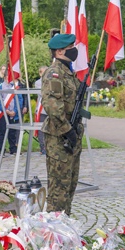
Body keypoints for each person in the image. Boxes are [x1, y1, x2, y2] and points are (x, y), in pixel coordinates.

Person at [41, 33, 83, 215]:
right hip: (60, 137)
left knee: (70, 184)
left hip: (72, 134)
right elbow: (53, 107)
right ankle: (53, 230)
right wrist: (68, 131)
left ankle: (65, 224)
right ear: (59, 51)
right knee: (58, 188)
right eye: (70, 48)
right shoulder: (54, 74)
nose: (74, 51)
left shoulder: (68, 72)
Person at [0, 67, 25, 155]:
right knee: (2, 131)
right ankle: (1, 150)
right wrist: (5, 110)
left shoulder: (15, 87)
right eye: (9, 77)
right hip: (3, 113)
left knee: (12, 132)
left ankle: (13, 149)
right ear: (5, 77)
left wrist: (15, 111)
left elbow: (20, 100)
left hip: (13, 113)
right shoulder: (0, 87)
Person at [34, 66, 48, 155]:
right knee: (41, 129)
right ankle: (43, 147)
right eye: (42, 72)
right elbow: (43, 93)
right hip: (42, 109)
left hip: (51, 110)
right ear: (40, 73)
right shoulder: (38, 83)